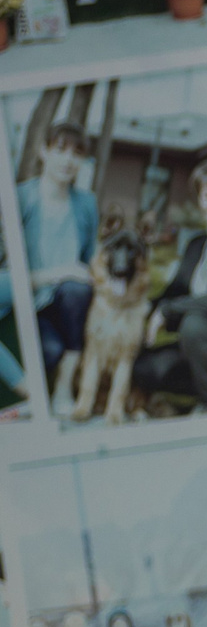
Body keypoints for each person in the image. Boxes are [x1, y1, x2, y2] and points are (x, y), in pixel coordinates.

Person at [18, 120, 98, 412]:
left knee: (77, 289)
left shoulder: (86, 204)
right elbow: (7, 274)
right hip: (27, 300)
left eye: (77, 153)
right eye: (61, 150)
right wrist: (60, 271)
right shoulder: (21, 198)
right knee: (48, 351)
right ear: (44, 152)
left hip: (69, 303)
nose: (68, 160)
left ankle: (64, 388)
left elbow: (92, 261)